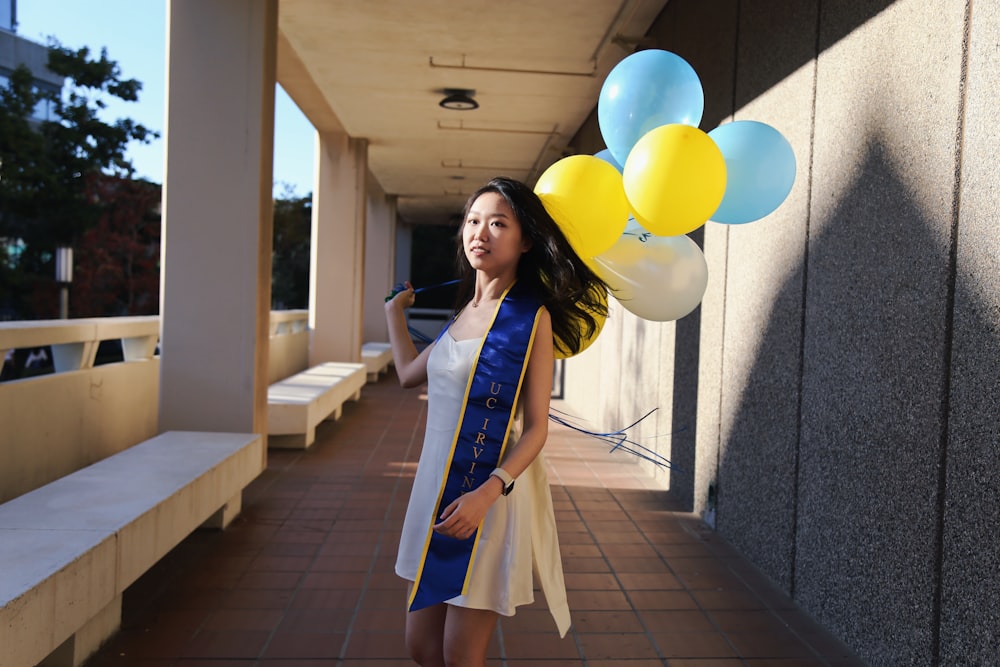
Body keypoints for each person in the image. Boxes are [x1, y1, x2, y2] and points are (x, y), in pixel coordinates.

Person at [384, 176, 609, 667]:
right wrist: (393, 316)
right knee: (421, 649)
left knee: (460, 654)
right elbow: (406, 375)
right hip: (433, 488)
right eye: (472, 221)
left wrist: (489, 491)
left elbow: (537, 429)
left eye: (497, 223)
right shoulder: (465, 311)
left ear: (524, 240)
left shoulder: (531, 320)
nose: (479, 232)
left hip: (486, 494)